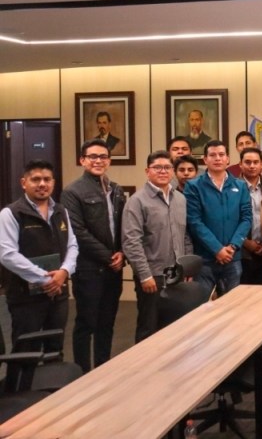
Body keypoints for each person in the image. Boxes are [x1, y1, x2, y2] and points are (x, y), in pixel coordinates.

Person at [61, 139, 126, 372]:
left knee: (107, 323)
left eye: (103, 157)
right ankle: (82, 373)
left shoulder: (116, 190)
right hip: (88, 269)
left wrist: (122, 253)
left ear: (109, 161)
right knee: (86, 323)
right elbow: (77, 231)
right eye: (93, 157)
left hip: (114, 268)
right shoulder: (72, 192)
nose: (98, 161)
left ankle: (102, 370)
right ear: (82, 160)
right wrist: (109, 256)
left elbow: (123, 227)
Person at [0, 160, 78, 353]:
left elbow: (72, 245)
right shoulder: (11, 213)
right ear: (23, 183)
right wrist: (45, 279)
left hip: (58, 294)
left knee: (55, 349)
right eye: (35, 179)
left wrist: (64, 271)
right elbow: (7, 254)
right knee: (26, 352)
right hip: (25, 297)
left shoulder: (61, 211)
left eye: (47, 179)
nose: (42, 184)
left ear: (53, 182)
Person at [121, 151, 192, 342]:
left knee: (174, 326)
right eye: (157, 167)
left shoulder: (180, 199)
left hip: (177, 273)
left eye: (167, 167)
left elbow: (185, 235)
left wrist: (187, 266)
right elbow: (131, 242)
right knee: (149, 327)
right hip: (153, 275)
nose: (163, 171)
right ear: (147, 171)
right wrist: (145, 275)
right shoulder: (137, 201)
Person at [184, 140, 252, 296]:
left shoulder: (240, 186)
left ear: (228, 159)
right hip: (205, 259)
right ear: (205, 159)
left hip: (232, 257)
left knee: (232, 305)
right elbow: (194, 221)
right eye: (212, 155)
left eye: (221, 154)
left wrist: (233, 246)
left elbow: (246, 218)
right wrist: (217, 249)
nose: (217, 158)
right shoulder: (193, 186)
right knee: (203, 306)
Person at [238, 147, 262, 285]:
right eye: (248, 162)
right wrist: (246, 242)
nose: (252, 166)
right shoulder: (232, 187)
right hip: (241, 251)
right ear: (240, 164)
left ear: (261, 164)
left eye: (256, 162)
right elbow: (229, 221)